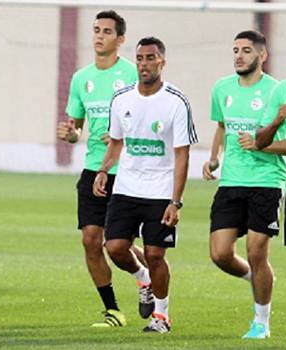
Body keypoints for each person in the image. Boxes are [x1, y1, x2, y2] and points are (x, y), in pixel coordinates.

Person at [93, 37, 198, 333]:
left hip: (161, 191)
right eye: (140, 58)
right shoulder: (122, 99)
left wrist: (175, 202)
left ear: (162, 62)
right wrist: (103, 170)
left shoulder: (176, 102)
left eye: (151, 58)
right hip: (126, 188)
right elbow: (116, 142)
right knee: (114, 247)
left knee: (155, 254)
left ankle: (161, 317)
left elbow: (182, 156)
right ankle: (143, 278)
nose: (144, 64)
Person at [56, 10, 150, 328]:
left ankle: (143, 277)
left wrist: (125, 134)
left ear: (120, 39)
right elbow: (76, 128)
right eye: (96, 30)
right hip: (93, 168)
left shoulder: (133, 75)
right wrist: (70, 134)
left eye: (107, 31)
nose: (99, 36)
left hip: (129, 170)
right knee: (90, 241)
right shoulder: (82, 78)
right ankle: (113, 311)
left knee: (117, 245)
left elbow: (151, 120)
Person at [203, 30, 285, 339]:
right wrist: (214, 158)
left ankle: (261, 322)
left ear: (262, 56)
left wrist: (261, 146)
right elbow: (222, 126)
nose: (239, 55)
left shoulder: (277, 91)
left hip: (267, 182)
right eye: (236, 49)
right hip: (231, 182)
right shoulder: (222, 88)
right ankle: (257, 278)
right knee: (220, 254)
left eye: (247, 50)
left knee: (256, 250)